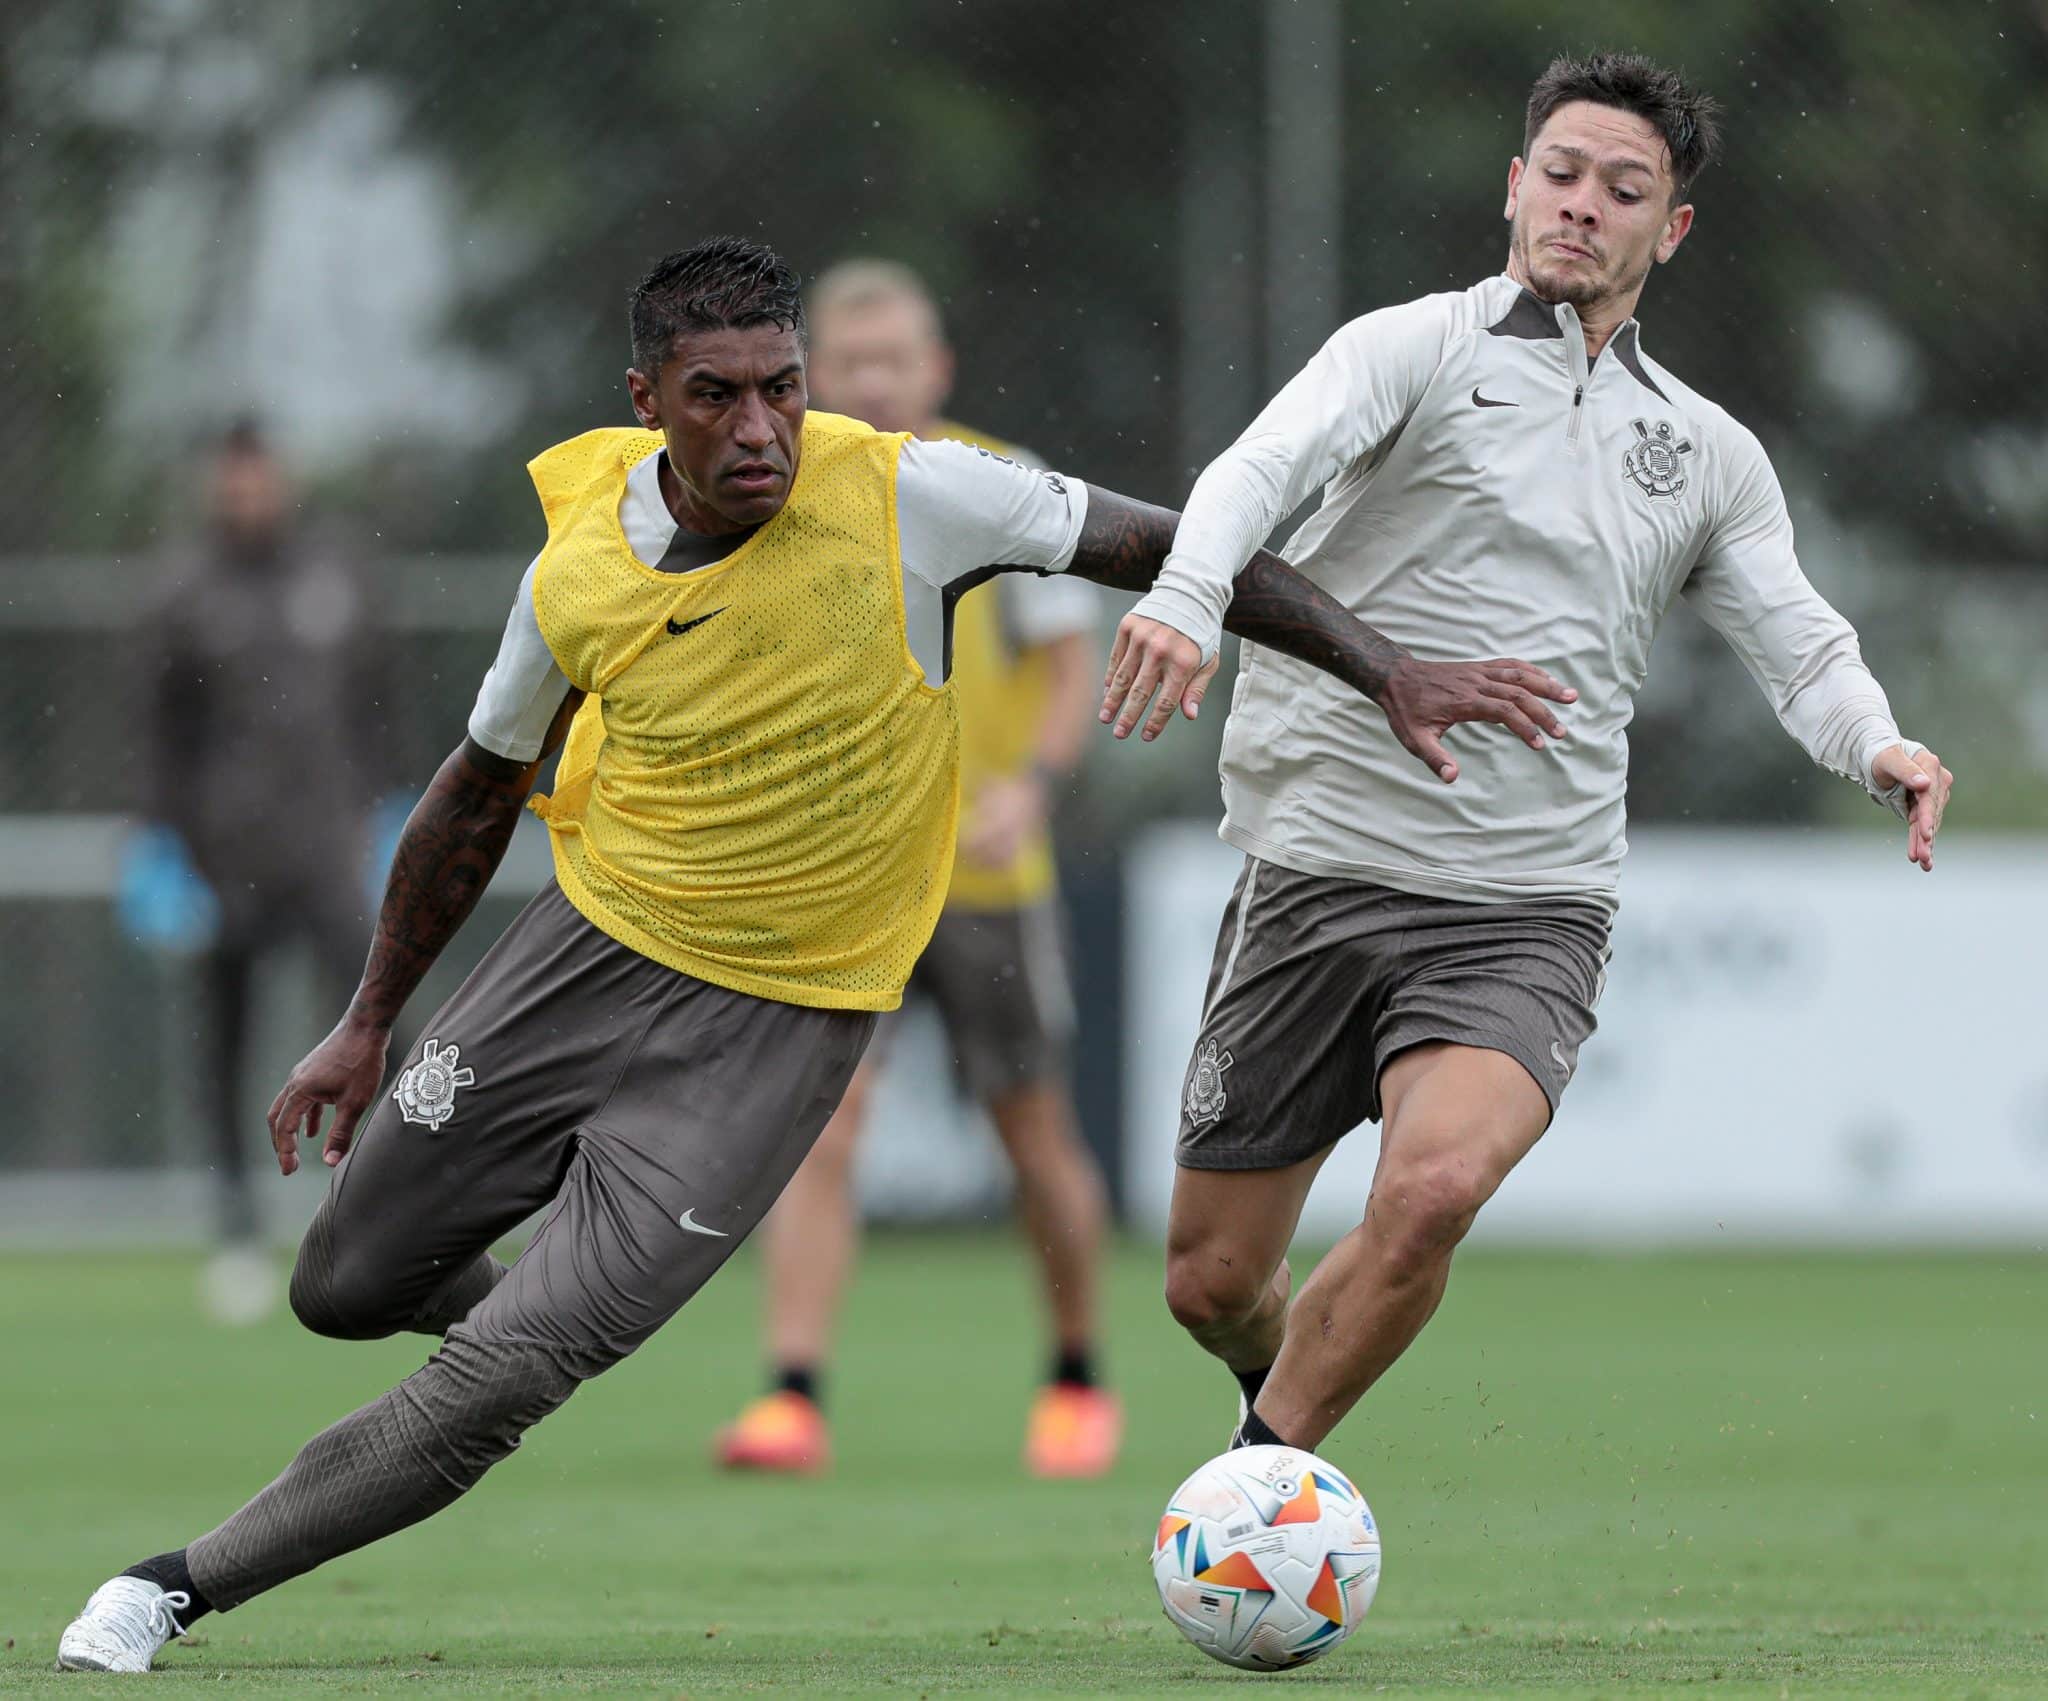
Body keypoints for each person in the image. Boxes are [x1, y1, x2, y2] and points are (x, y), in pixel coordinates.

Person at [55, 235, 1573, 1672]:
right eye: (717, 395)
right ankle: (548, 1305)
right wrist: (368, 1016)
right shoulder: (576, 570)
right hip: (575, 963)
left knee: (505, 1381)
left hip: (778, 1029)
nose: (764, 424)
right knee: (342, 1284)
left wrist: (1388, 670)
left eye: (784, 385)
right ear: (645, 402)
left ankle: (168, 1588)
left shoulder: (919, 495)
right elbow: (474, 789)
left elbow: (1179, 546)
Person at [1099, 52, 1956, 1461]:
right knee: (1210, 1282)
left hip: (1527, 900)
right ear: (1515, 187)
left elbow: (1797, 639)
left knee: (1432, 1189)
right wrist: (1187, 598)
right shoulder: (1410, 349)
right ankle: (1269, 1378)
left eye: (1625, 190)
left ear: (1668, 230)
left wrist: (1878, 741)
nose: (1583, 206)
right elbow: (1257, 469)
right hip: (1315, 870)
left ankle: (1261, 1489)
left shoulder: (1706, 450)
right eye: (1561, 174)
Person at [711, 259, 1117, 1480]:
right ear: (812, 378)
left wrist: (1029, 790)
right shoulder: (776, 501)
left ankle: (1076, 1378)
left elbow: (1064, 670)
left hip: (984, 878)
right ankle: (791, 1395)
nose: (877, 382)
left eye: (899, 360)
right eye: (852, 363)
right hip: (842, 880)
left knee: (1030, 1131)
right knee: (821, 1134)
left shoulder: (1001, 487)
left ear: (935, 370)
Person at [132, 421, 384, 1324]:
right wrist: (159, 844)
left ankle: (379, 1213)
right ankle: (237, 1229)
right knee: (224, 1043)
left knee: (377, 1023)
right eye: (232, 477)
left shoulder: (339, 572)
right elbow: (159, 731)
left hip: (330, 851)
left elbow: (377, 703)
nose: (248, 491)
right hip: (223, 856)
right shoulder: (184, 588)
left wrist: (393, 814)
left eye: (260, 474)